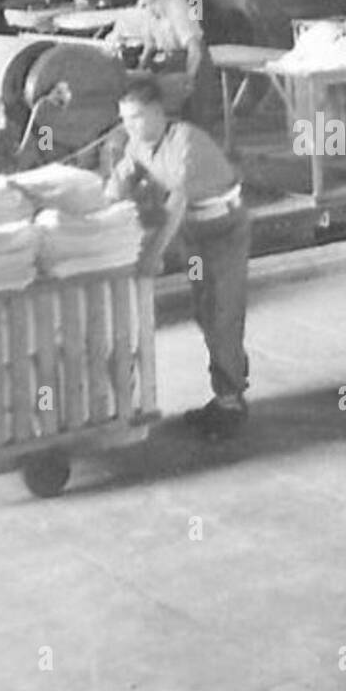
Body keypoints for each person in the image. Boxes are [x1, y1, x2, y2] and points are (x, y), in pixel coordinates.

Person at [106, 79, 250, 436]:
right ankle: (225, 391)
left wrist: (149, 260)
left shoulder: (186, 141)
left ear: (158, 112)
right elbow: (120, 180)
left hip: (223, 231)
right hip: (195, 236)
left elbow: (176, 206)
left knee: (222, 312)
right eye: (125, 119)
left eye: (137, 117)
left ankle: (231, 402)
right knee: (203, 309)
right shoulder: (140, 143)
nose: (130, 127)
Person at [104, 0, 221, 131]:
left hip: (193, 63)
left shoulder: (176, 7)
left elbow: (194, 48)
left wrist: (189, 79)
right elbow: (149, 46)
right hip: (170, 60)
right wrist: (140, 70)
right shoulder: (149, 8)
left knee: (194, 126)